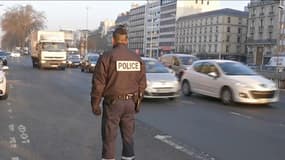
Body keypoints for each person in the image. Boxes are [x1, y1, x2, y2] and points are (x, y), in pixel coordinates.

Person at [90, 25, 146, 160]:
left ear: (113, 40)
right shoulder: (137, 59)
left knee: (109, 137)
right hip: (130, 103)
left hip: (112, 104)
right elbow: (142, 84)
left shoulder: (107, 57)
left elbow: (99, 83)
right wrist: (137, 103)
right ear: (126, 41)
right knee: (128, 137)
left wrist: (95, 104)